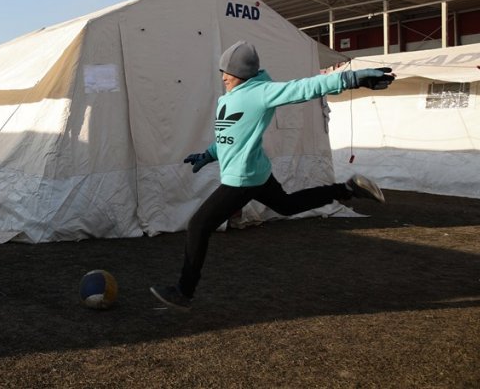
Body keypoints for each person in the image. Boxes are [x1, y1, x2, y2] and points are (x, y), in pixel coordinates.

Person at [150, 40, 395, 311]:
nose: (224, 77)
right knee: (287, 205)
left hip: (242, 179)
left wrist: (349, 79)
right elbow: (229, 134)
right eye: (222, 71)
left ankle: (184, 292)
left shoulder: (260, 92)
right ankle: (348, 189)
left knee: (198, 226)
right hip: (257, 173)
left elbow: (304, 88)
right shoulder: (227, 99)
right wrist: (208, 154)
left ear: (243, 73)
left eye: (228, 72)